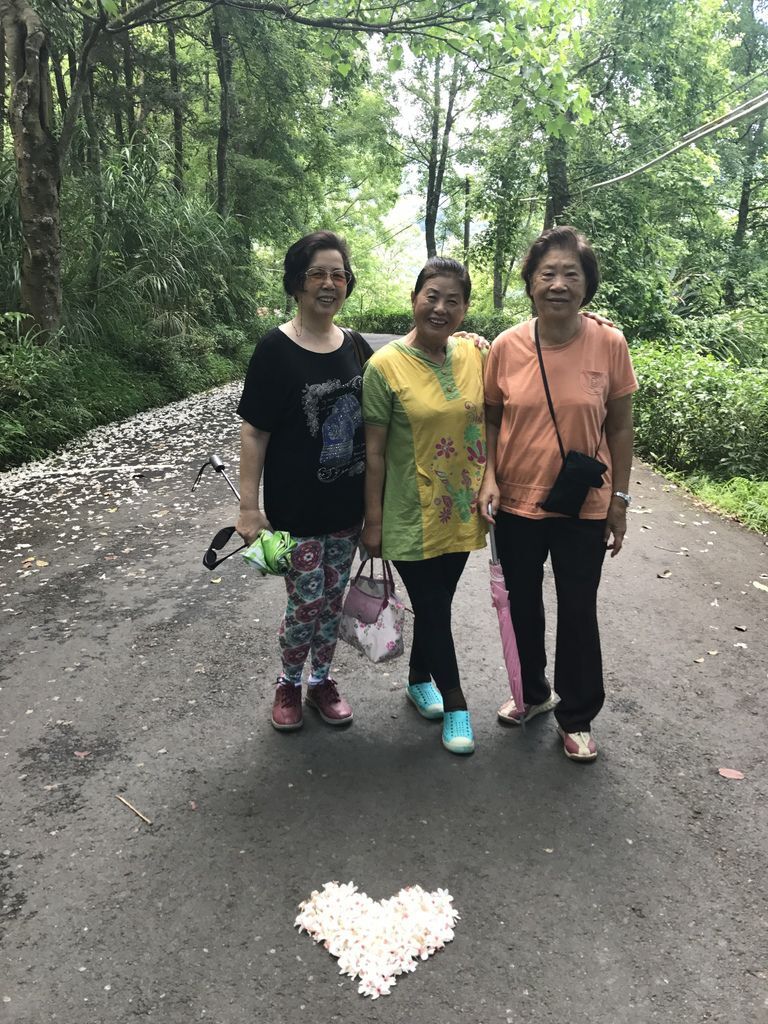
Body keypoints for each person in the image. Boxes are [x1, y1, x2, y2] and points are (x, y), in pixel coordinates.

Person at [479, 225, 637, 763]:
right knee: (522, 601)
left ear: (587, 285)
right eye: (547, 273)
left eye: (571, 274)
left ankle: (577, 716)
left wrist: (620, 500)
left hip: (582, 505)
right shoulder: (506, 346)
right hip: (517, 501)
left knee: (577, 608)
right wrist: (489, 477)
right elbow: (491, 417)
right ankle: (532, 693)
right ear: (530, 283)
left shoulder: (609, 343)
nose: (558, 284)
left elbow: (620, 427)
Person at [236, 231, 373, 731]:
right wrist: (249, 508)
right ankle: (288, 683)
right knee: (306, 602)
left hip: (347, 510)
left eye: (338, 274)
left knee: (332, 602)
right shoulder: (275, 349)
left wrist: (463, 343)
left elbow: (401, 376)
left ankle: (321, 682)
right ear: (297, 282)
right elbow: (255, 431)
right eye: (317, 273)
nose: (329, 283)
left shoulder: (355, 346)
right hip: (296, 512)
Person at [361, 258, 487, 755]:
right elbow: (373, 452)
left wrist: (592, 320)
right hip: (408, 513)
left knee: (438, 606)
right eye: (432, 296)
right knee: (433, 606)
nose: (440, 308)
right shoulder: (384, 366)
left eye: (453, 300)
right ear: (414, 298)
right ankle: (456, 703)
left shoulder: (475, 354)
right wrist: (373, 522)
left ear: (465, 309)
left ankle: (418, 679)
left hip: (461, 509)